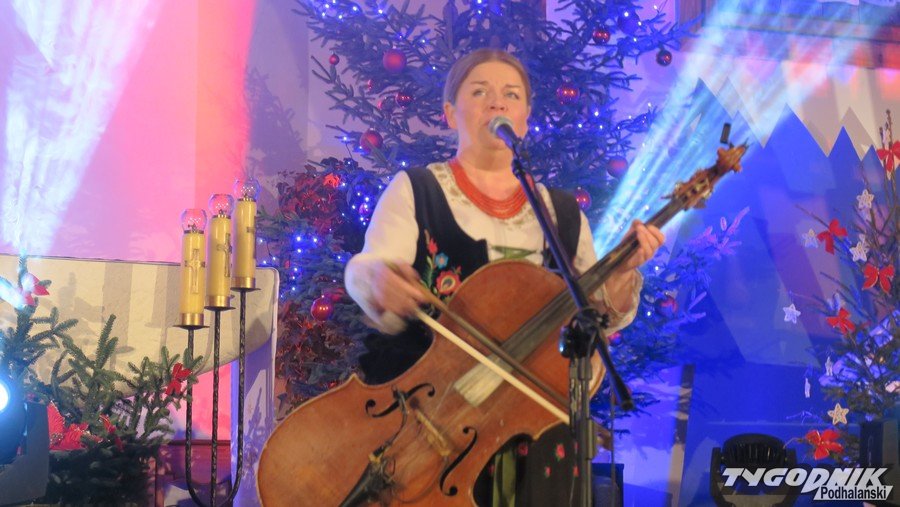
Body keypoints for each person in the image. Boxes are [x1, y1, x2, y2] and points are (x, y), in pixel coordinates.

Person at [344, 48, 665, 506]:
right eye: (480, 92)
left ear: (525, 119)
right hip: (429, 414)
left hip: (533, 429)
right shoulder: (416, 189)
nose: (497, 102)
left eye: (511, 95)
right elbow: (367, 268)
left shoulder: (561, 212)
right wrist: (379, 282)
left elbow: (598, 313)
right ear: (450, 113)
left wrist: (622, 273)